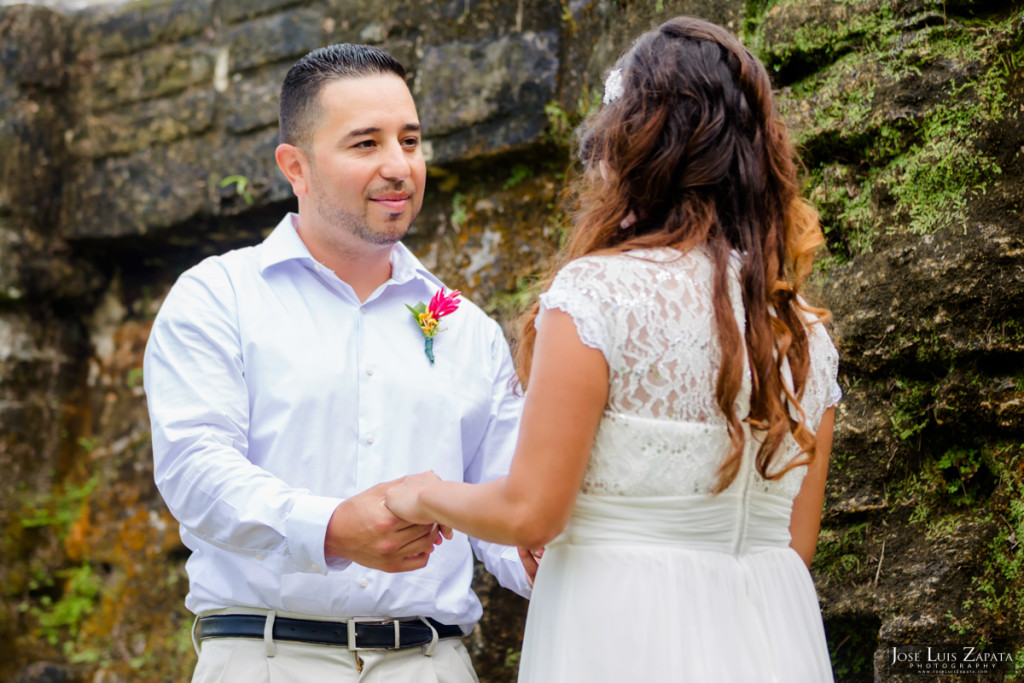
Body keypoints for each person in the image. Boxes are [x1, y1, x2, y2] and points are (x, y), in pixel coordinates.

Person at [385, 16, 841, 682]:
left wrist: (423, 493)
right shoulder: (802, 333)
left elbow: (530, 510)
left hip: (624, 631)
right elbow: (796, 545)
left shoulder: (599, 296)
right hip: (772, 634)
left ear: (633, 145)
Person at [143, 43, 532, 682]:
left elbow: (500, 503)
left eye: (410, 140)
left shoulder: (467, 329)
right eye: (365, 144)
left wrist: (539, 557)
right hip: (267, 659)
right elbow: (195, 469)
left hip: (430, 665)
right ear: (295, 166)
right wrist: (328, 527)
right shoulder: (219, 296)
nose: (398, 166)